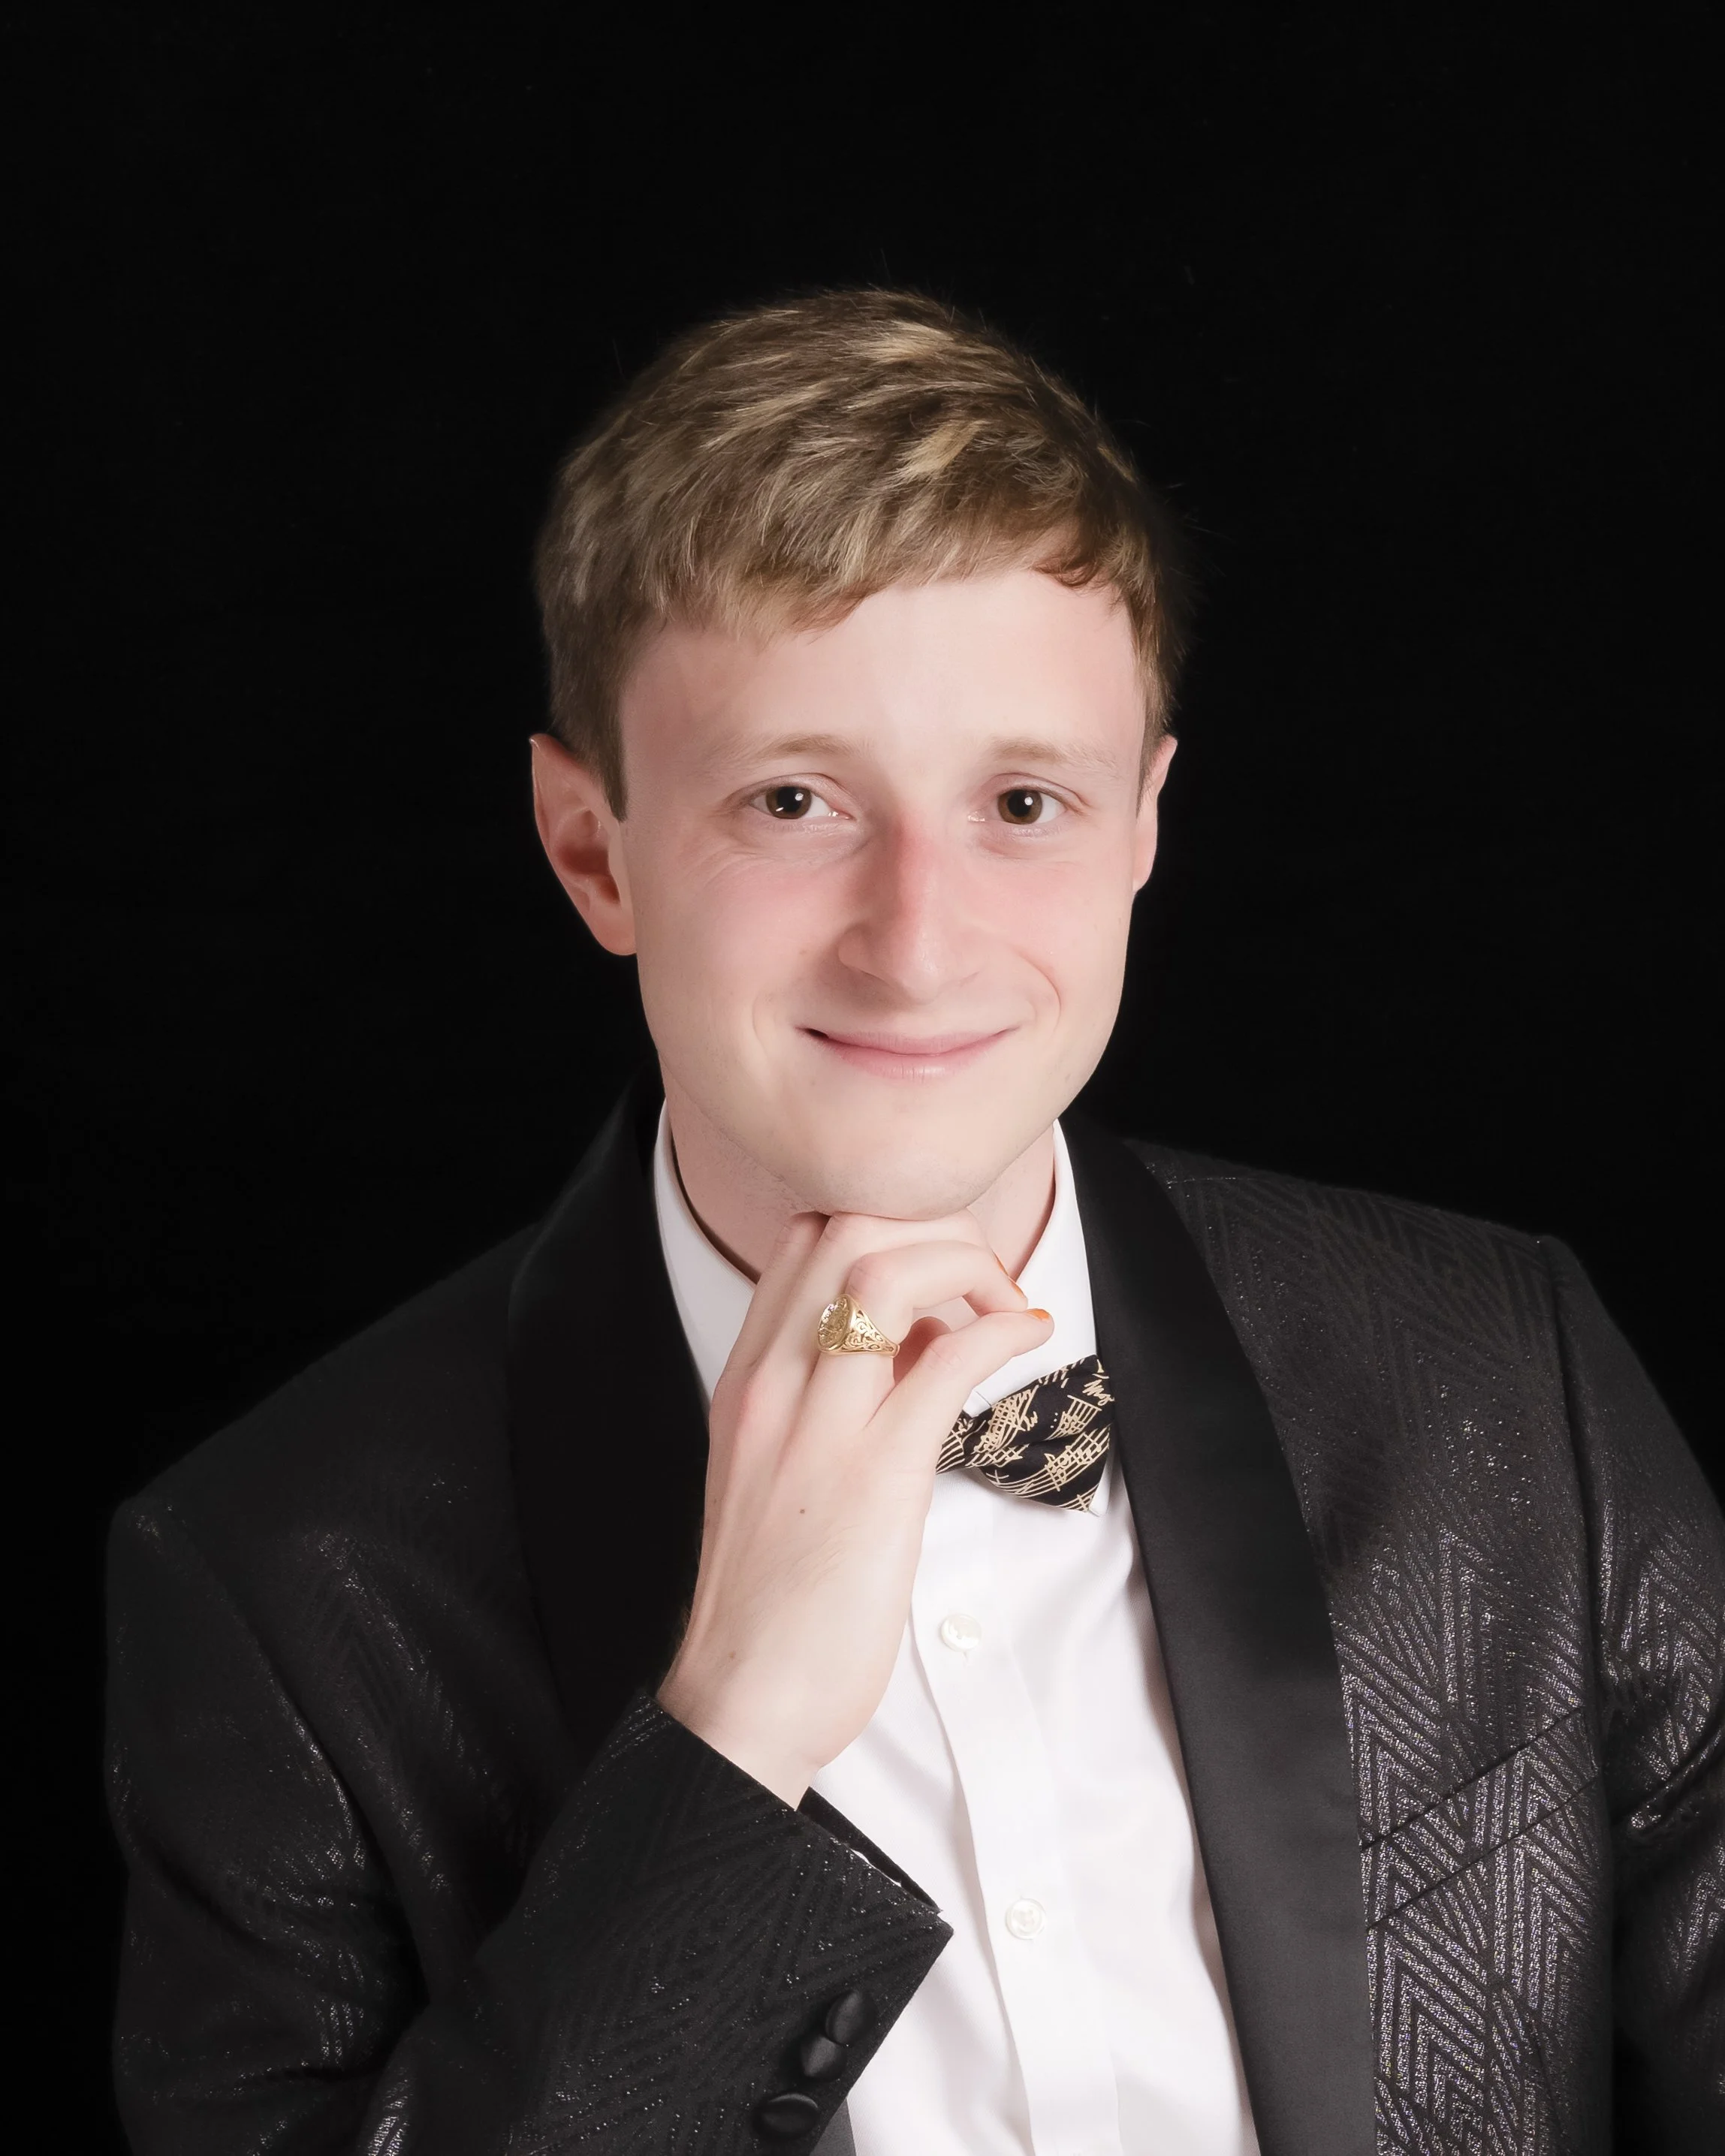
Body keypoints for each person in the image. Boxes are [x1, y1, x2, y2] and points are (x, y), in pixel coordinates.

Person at [105, 290, 1723, 2156]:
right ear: (591, 846)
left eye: (1022, 801)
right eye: (794, 799)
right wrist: (726, 1745)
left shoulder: (1502, 1372)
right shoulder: (273, 1577)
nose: (918, 941)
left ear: (1142, 825)